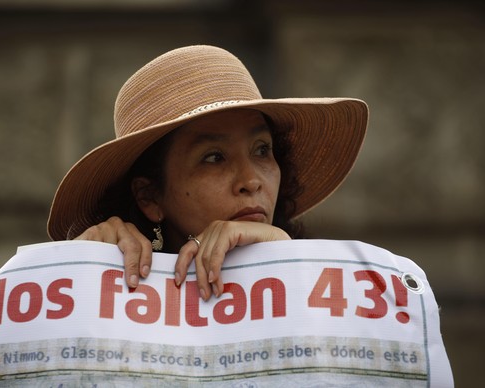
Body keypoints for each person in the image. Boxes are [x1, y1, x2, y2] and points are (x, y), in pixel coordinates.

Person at [47, 45, 368, 301]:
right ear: (149, 196)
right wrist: (79, 275)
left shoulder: (350, 293)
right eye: (214, 157)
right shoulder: (107, 287)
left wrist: (287, 261)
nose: (251, 181)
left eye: (262, 150)